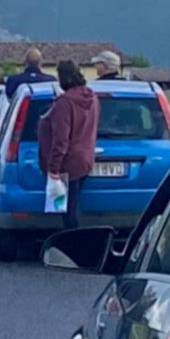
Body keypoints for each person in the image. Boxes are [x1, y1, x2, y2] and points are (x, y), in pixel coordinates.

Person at [37, 60, 99, 229]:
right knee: (73, 206)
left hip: (67, 163)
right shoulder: (92, 97)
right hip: (85, 160)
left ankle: (73, 241)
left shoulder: (65, 102)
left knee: (68, 213)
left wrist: (53, 169)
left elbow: (61, 139)